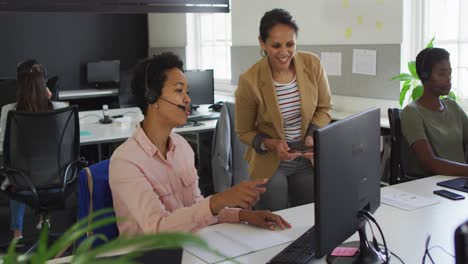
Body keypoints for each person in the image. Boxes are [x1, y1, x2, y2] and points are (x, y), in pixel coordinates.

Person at [109, 52, 291, 236]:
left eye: (187, 92)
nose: (188, 99)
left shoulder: (182, 148)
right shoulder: (126, 162)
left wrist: (245, 215)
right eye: (179, 91)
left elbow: (197, 211)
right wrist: (218, 200)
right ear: (152, 97)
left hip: (187, 247)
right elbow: (157, 229)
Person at [235, 8, 332, 211]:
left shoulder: (312, 64)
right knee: (276, 215)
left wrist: (312, 133)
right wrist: (271, 143)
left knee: (308, 215)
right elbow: (244, 132)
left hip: (305, 154)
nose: (284, 52)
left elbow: (324, 108)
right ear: (262, 43)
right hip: (271, 158)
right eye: (276, 45)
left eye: (290, 44)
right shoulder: (249, 80)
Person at [0, 59, 66, 241]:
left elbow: (2, 147)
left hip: (21, 181)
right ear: (43, 83)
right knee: (40, 169)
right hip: (54, 179)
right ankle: (44, 218)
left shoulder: (9, 111)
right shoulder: (58, 109)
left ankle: (17, 233)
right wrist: (49, 98)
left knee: (16, 173)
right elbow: (63, 146)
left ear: (19, 84)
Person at [401, 47, 468, 178]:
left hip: (459, 182)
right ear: (425, 76)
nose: (448, 78)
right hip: (431, 186)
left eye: (450, 73)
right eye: (442, 74)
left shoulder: (453, 106)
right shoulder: (412, 112)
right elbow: (430, 163)